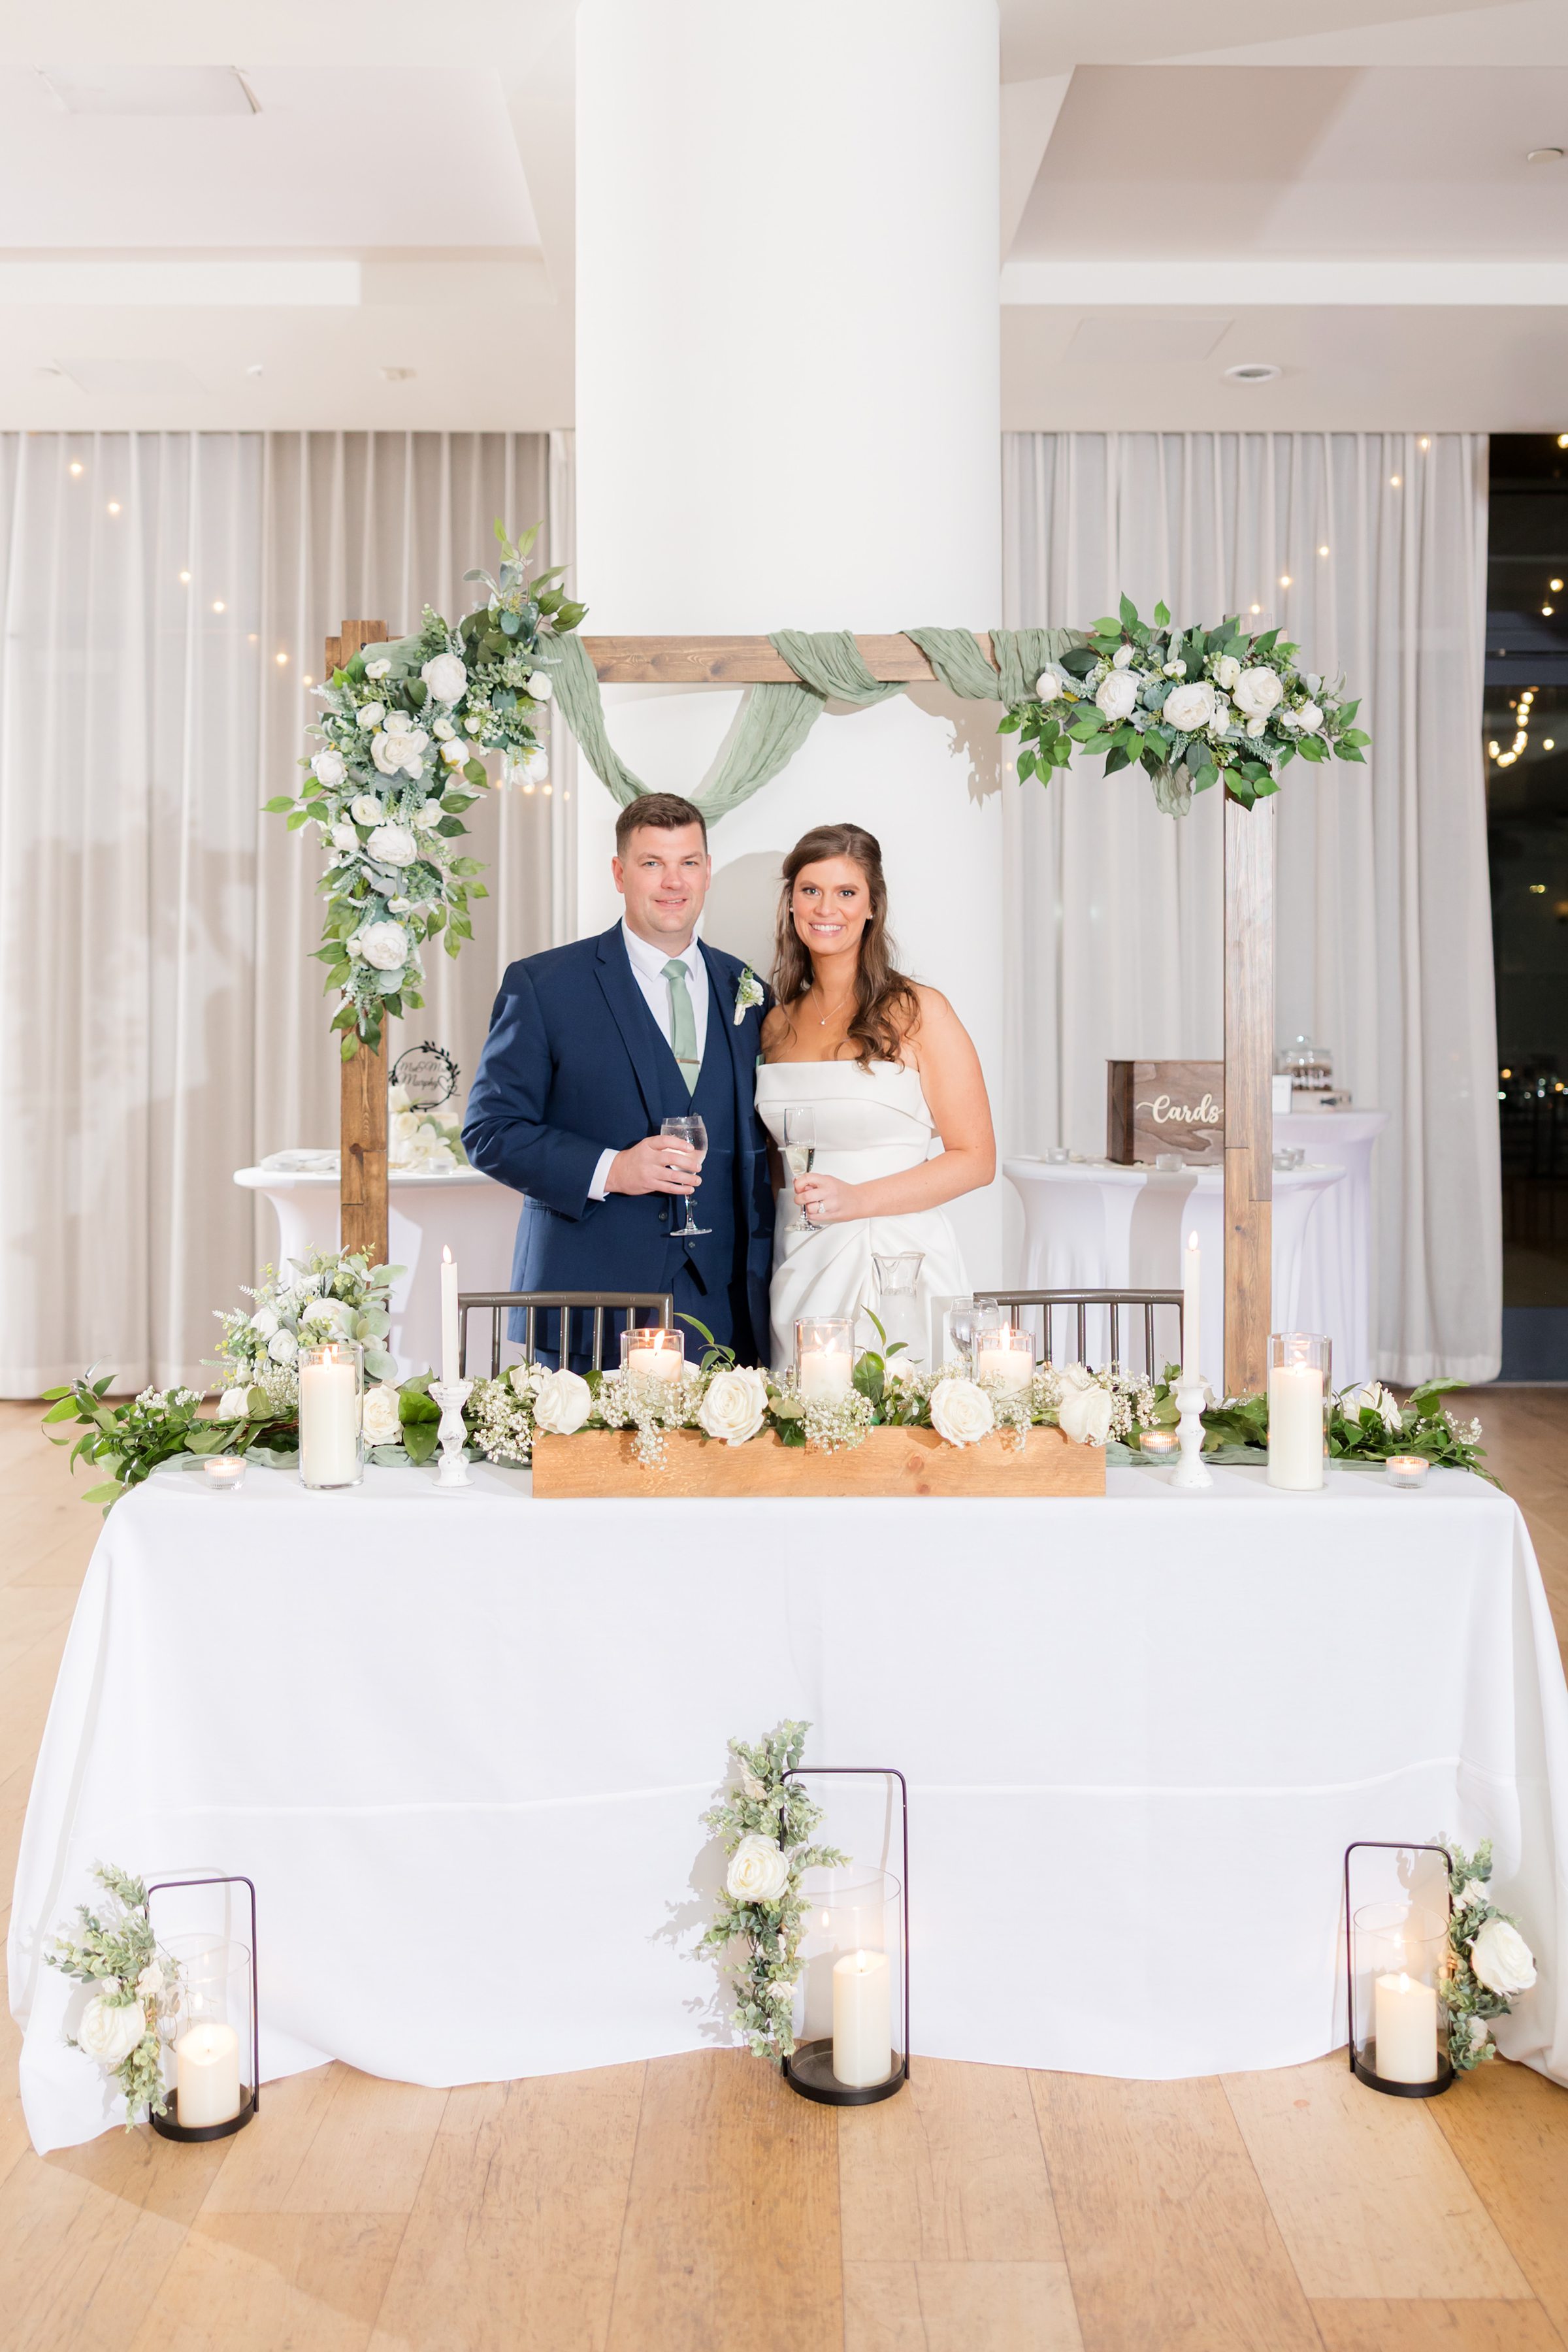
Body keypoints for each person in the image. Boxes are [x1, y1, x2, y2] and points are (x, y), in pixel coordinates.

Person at [463, 792, 774, 1369]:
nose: (672, 882)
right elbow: (489, 1132)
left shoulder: (749, 990)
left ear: (707, 871)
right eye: (652, 863)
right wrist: (614, 1168)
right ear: (619, 872)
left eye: (688, 863)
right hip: (589, 1299)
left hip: (724, 1302)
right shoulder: (545, 985)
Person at [757, 822, 995, 1369]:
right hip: (799, 1259)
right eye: (810, 890)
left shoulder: (919, 1011)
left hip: (894, 1259)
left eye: (847, 893)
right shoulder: (774, 1025)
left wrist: (857, 1202)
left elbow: (977, 1160)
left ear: (872, 907)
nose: (826, 908)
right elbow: (774, 1165)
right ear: (791, 903)